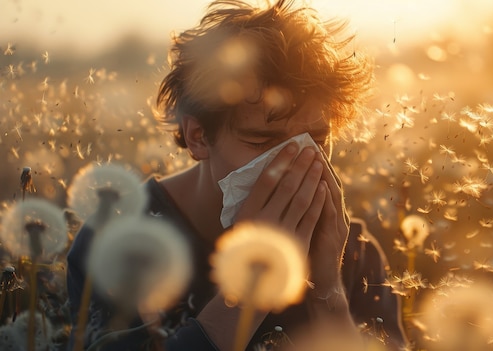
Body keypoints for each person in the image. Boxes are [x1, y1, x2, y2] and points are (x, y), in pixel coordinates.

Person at [66, 0, 408, 350]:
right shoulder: (113, 242)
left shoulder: (350, 249)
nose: (293, 163)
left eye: (317, 140)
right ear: (198, 137)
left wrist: (329, 290)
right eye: (263, 141)